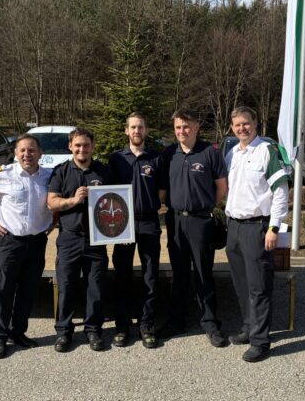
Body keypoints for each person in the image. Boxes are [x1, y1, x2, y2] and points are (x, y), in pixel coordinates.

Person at [0, 134, 54, 359]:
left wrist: (52, 222)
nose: (27, 154)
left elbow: (54, 202)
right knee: (3, 289)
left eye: (32, 150)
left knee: (28, 290)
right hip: (9, 241)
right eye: (23, 151)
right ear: (16, 153)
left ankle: (18, 333)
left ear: (40, 154)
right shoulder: (3, 175)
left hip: (36, 241)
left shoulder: (48, 176)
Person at [224, 107, 290, 362]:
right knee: (241, 285)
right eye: (237, 125)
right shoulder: (233, 154)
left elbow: (281, 192)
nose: (242, 128)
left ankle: (261, 341)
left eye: (246, 123)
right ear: (232, 128)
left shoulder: (267, 151)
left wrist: (274, 227)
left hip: (257, 228)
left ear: (255, 123)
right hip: (235, 227)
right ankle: (249, 328)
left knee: (259, 287)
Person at [159, 108, 228, 347]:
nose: (182, 131)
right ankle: (177, 321)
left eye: (186, 127)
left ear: (197, 126)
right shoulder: (168, 154)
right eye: (178, 127)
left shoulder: (210, 152)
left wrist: (208, 206)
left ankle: (210, 322)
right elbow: (162, 190)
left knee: (203, 273)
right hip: (176, 221)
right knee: (178, 274)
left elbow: (221, 186)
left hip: (201, 222)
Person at [47, 128, 110, 353]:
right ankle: (64, 331)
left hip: (96, 241)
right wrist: (73, 200)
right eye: (78, 145)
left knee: (95, 288)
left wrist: (121, 231)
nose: (82, 149)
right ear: (70, 147)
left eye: (86, 145)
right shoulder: (61, 172)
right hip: (69, 239)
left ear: (92, 146)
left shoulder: (103, 171)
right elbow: (51, 202)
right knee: (66, 286)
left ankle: (93, 330)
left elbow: (117, 201)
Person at [108, 112, 162, 349]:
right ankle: (122, 326)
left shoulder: (156, 159)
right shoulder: (116, 159)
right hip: (123, 225)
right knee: (122, 275)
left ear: (146, 130)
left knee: (150, 276)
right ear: (126, 131)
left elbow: (162, 191)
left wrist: (151, 206)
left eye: (140, 127)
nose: (137, 131)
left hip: (149, 223)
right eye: (133, 127)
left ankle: (147, 324)